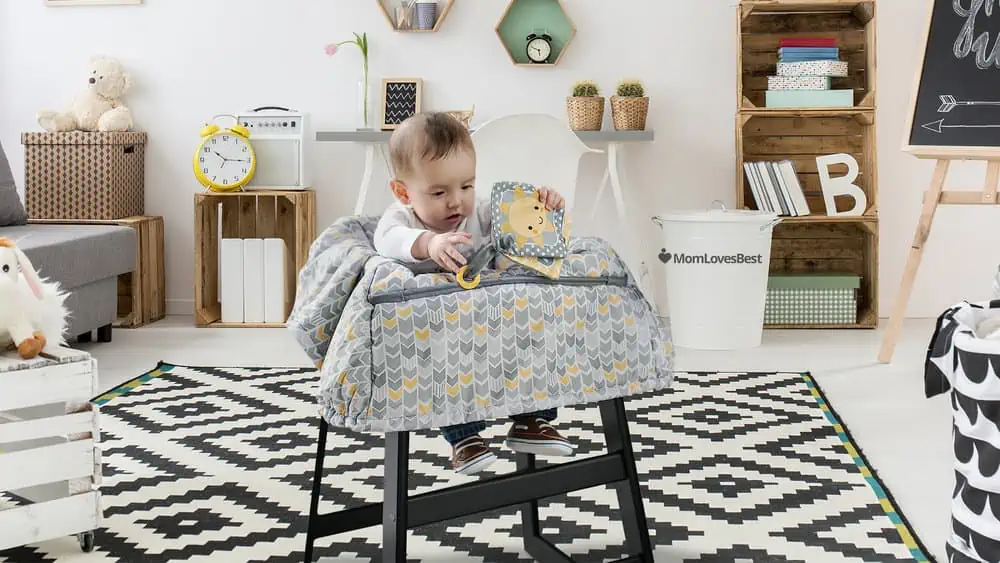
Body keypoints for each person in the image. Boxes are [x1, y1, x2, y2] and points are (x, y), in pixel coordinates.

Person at [374, 111, 575, 474]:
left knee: (533, 331)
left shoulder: (480, 212)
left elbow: (518, 221)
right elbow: (387, 240)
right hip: (440, 330)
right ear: (403, 191)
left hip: (494, 318)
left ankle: (533, 419)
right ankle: (464, 437)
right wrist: (428, 243)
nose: (456, 202)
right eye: (439, 192)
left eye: (466, 186)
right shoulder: (401, 219)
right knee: (448, 365)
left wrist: (545, 203)